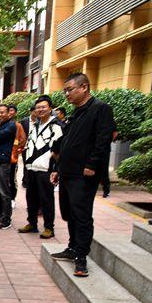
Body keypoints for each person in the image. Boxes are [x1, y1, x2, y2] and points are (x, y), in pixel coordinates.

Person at [51, 72, 115, 277]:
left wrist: (92, 164)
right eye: (65, 90)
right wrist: (57, 168)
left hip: (84, 173)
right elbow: (67, 143)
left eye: (69, 89)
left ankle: (81, 256)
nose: (66, 94)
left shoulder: (100, 109)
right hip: (67, 171)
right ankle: (72, 247)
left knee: (81, 214)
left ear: (84, 87)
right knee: (68, 212)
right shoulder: (76, 112)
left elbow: (103, 140)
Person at [19, 96, 63, 239]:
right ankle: (32, 223)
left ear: (50, 109)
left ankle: (49, 227)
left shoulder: (56, 126)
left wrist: (56, 169)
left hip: (46, 169)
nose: (40, 110)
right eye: (38, 107)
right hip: (31, 167)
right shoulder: (35, 125)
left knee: (46, 199)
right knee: (31, 197)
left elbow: (58, 150)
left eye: (43, 107)